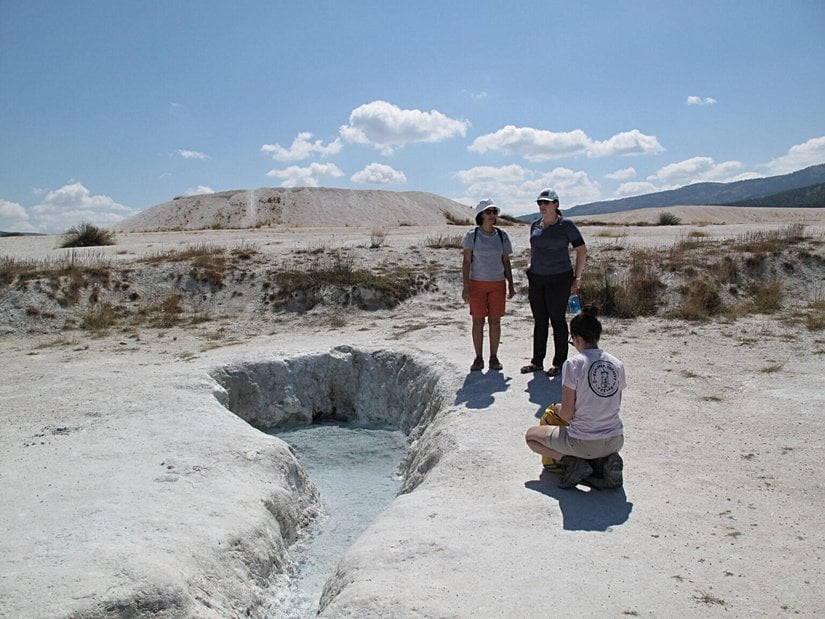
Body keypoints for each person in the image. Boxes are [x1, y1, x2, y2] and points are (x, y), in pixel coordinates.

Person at [524, 304, 625, 488]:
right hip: (616, 440)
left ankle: (573, 462)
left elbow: (566, 415)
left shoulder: (573, 364)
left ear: (577, 338)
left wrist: (557, 407)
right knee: (592, 443)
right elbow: (614, 403)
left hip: (584, 442)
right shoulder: (617, 364)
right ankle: (601, 463)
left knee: (531, 437)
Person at [520, 188, 587, 377]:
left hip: (560, 277)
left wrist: (577, 277)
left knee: (557, 319)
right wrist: (530, 265)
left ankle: (559, 363)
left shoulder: (566, 225)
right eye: (539, 203)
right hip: (537, 278)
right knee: (539, 320)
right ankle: (537, 361)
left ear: (556, 204)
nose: (542, 206)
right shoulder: (535, 225)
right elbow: (534, 247)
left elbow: (581, 250)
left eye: (546, 202)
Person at [462, 199, 515, 371]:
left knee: (495, 321)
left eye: (494, 212)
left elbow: (506, 261)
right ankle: (478, 358)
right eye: (488, 212)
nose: (492, 215)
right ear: (481, 215)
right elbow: (466, 262)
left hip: (497, 283)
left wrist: (511, 284)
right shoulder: (472, 236)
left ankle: (493, 357)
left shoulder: (502, 235)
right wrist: (466, 287)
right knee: (478, 321)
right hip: (477, 283)